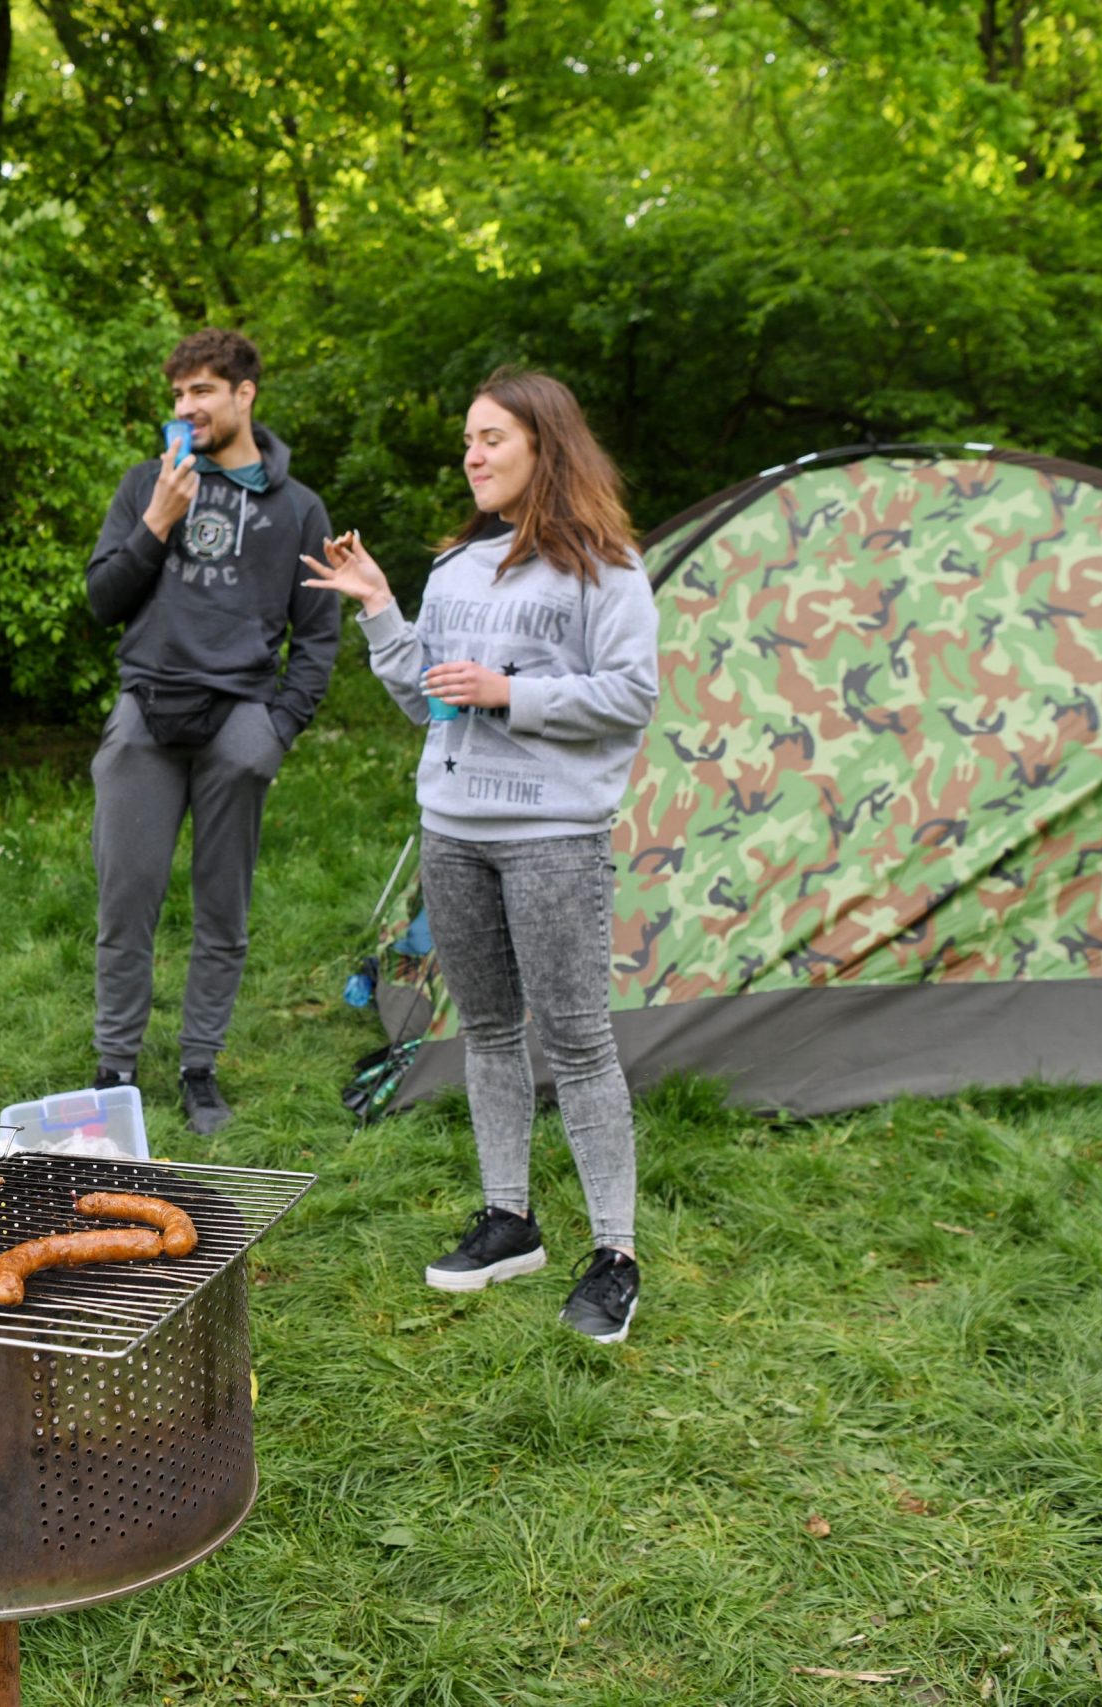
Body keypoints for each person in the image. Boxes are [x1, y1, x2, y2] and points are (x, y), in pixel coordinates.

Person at [301, 366, 658, 1344]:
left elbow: (630, 695)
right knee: (489, 1032)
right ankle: (508, 1220)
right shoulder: (455, 569)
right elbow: (425, 698)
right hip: (453, 832)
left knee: (577, 1043)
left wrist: (512, 695)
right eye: (467, 439)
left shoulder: (604, 567)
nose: (472, 455)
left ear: (545, 444)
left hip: (551, 838)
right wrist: (379, 606)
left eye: (492, 438)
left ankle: (615, 1255)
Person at [82, 328, 339, 1136]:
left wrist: (278, 728)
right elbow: (102, 600)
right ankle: (115, 1066)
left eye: (202, 391)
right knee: (127, 902)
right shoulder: (144, 485)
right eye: (178, 395)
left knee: (221, 911)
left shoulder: (296, 507)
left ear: (244, 394)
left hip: (239, 722)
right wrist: (158, 520)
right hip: (146, 717)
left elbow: (320, 632)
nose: (187, 408)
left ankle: (199, 1067)